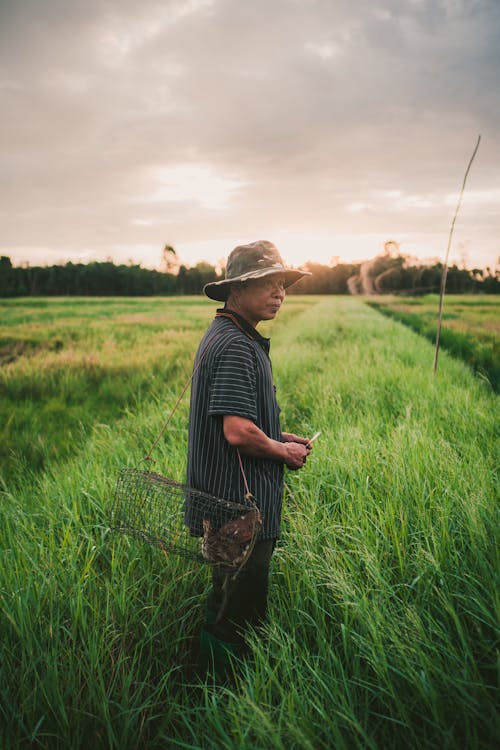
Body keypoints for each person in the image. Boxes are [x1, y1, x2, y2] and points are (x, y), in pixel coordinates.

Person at [186, 240, 312, 678]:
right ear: (236, 289)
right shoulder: (237, 346)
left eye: (283, 285)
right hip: (238, 506)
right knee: (235, 604)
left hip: (228, 501)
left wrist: (278, 435)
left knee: (232, 595)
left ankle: (228, 684)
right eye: (268, 284)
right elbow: (237, 432)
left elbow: (240, 420)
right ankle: (221, 691)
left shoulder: (228, 333)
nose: (279, 293)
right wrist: (284, 452)